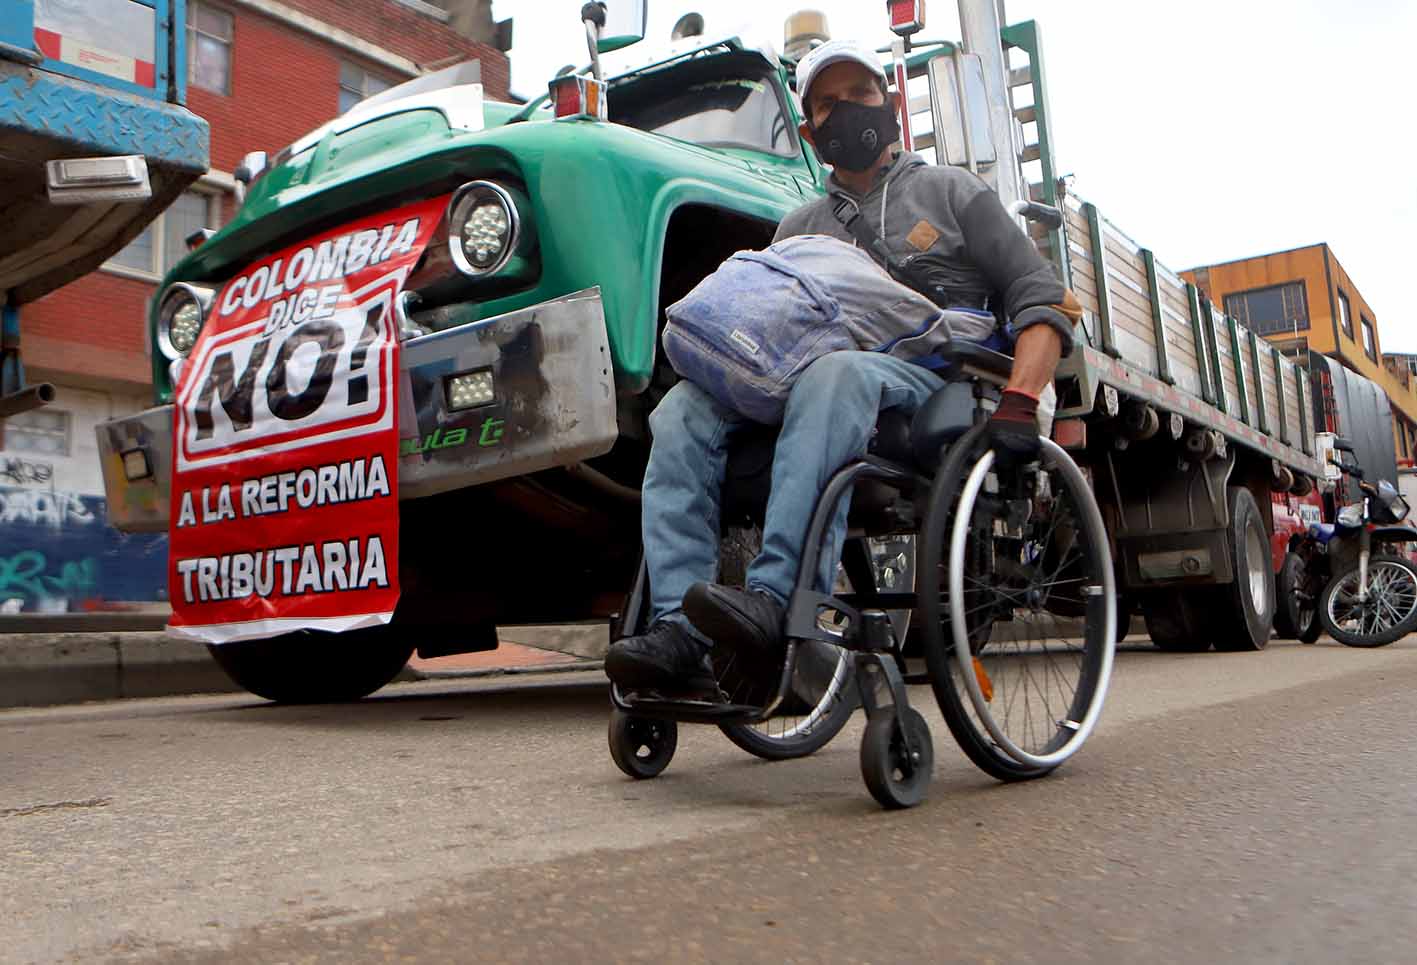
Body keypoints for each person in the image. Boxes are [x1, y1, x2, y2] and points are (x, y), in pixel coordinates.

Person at [605, 39, 1082, 697]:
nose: (845, 111)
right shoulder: (799, 225)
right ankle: (678, 631)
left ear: (888, 104)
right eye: (827, 104)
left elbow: (1046, 300)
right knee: (680, 409)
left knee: (838, 374)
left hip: (930, 379)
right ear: (808, 131)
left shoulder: (951, 193)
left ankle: (776, 598)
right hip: (805, 385)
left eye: (859, 94)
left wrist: (1021, 402)